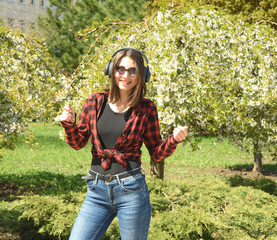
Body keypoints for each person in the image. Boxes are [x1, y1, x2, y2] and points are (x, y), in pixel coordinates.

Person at [59, 47, 188, 240]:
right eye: (120, 69)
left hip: (131, 191)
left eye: (132, 70)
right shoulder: (95, 101)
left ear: (141, 75)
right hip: (96, 191)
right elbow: (78, 143)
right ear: (111, 70)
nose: (125, 75)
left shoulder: (146, 108)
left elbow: (157, 153)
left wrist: (173, 140)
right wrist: (69, 124)